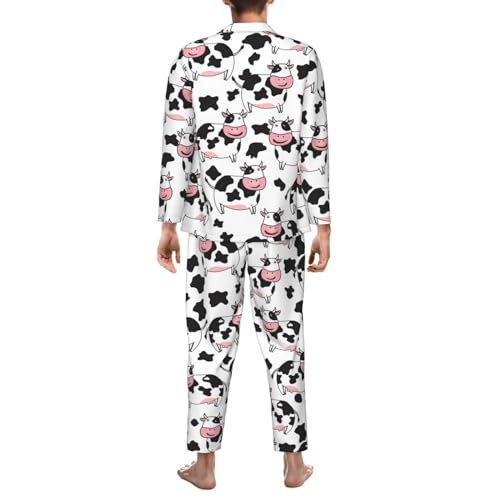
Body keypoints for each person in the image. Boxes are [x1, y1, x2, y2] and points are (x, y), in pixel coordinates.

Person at [157, 0, 330, 489]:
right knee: (285, 339)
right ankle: (294, 463)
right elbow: (315, 143)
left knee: (209, 338)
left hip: (211, 227)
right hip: (280, 224)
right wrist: (323, 222)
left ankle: (204, 464)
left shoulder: (191, 56)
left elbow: (177, 145)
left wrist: (168, 222)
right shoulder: (302, 57)